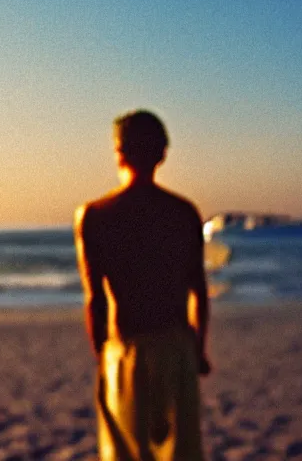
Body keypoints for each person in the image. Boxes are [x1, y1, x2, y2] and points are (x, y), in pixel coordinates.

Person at [74, 110, 211, 460]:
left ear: (118, 152)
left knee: (125, 452)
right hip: (177, 344)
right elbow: (198, 290)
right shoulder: (183, 212)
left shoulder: (96, 215)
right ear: (162, 154)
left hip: (126, 347)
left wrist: (101, 353)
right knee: (181, 452)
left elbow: (96, 300)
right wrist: (198, 348)